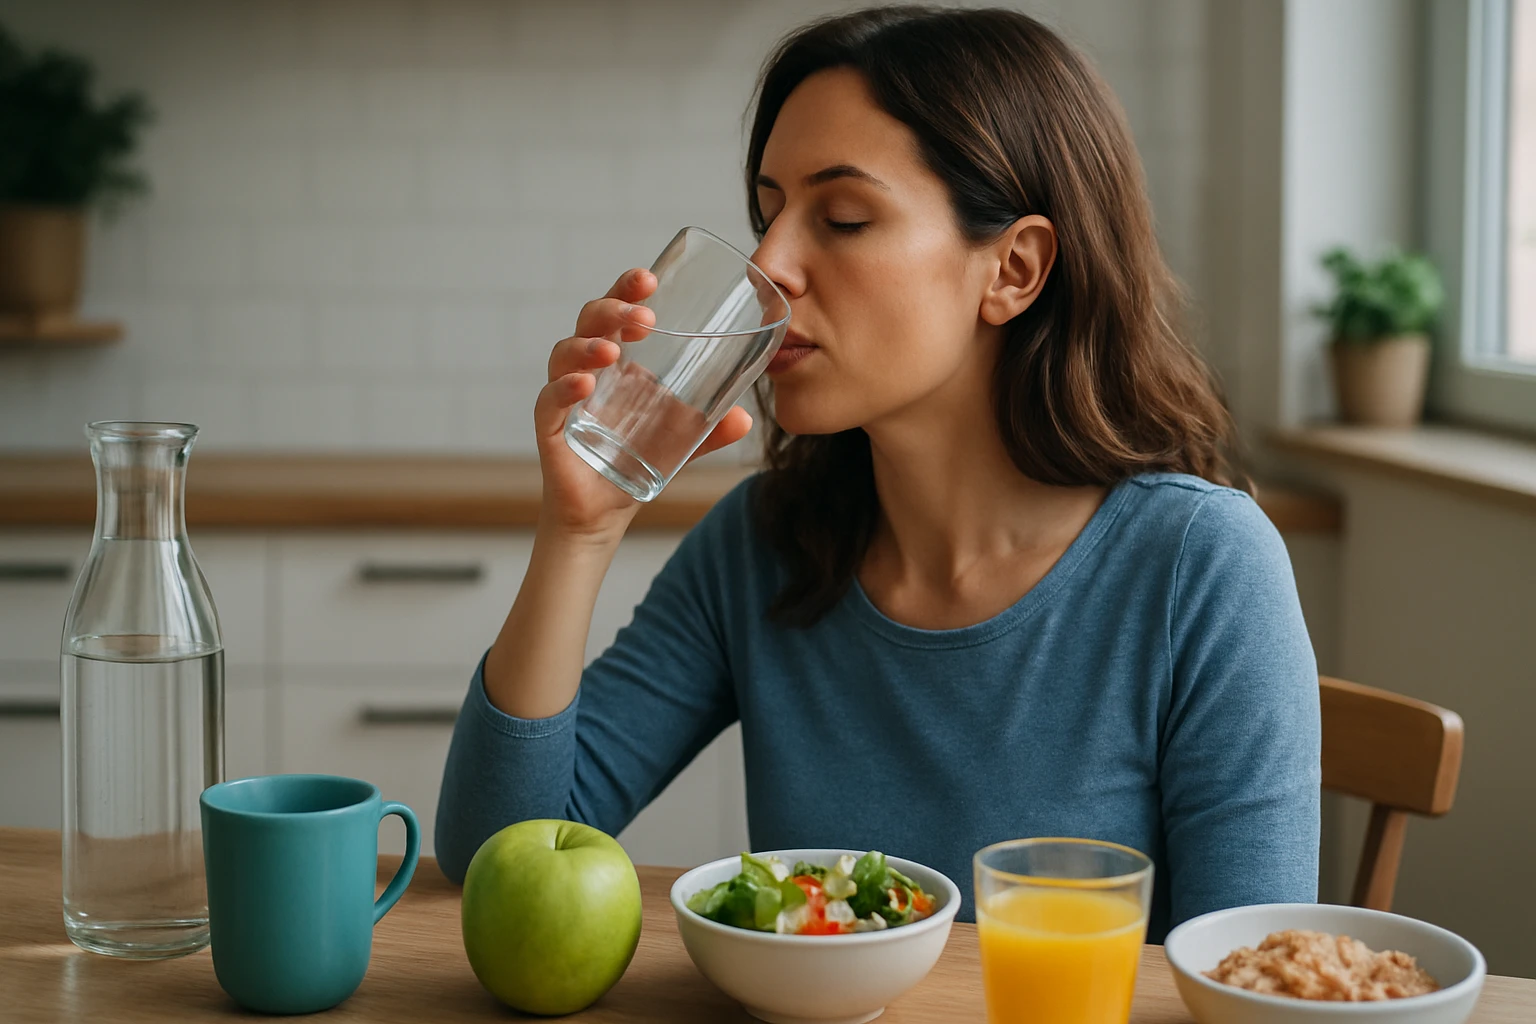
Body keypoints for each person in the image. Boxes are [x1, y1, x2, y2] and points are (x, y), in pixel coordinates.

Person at [435, 4, 1319, 941]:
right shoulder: (761, 547)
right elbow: (499, 852)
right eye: (769, 215)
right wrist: (580, 529)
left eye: (844, 218)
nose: (769, 267)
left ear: (1013, 269)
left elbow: (1254, 981)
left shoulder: (1201, 568)